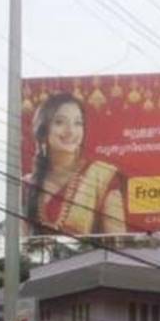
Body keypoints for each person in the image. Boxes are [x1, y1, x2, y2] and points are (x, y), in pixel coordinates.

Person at [23, 93, 126, 236]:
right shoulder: (27, 185)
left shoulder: (102, 176)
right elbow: (19, 246)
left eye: (78, 123)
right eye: (60, 122)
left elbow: (118, 242)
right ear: (43, 129)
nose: (71, 131)